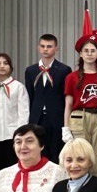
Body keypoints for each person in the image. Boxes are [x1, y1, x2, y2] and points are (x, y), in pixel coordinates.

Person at [63, 33, 97, 176]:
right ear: (80, 54)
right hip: (78, 118)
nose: (89, 54)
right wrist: (65, 128)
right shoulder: (72, 77)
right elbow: (68, 105)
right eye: (86, 50)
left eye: (93, 50)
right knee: (80, 154)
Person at [25, 33, 72, 163]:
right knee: (38, 151)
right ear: (38, 48)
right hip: (37, 118)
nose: (45, 49)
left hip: (56, 117)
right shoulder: (31, 70)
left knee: (56, 152)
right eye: (43, 46)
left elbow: (65, 96)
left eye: (49, 46)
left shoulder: (64, 70)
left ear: (56, 48)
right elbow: (29, 95)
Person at [0, 53, 30, 180]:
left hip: (12, 135)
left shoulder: (18, 87)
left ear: (10, 67)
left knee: (13, 167)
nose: (2, 66)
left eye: (5, 63)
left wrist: (21, 134)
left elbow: (23, 112)